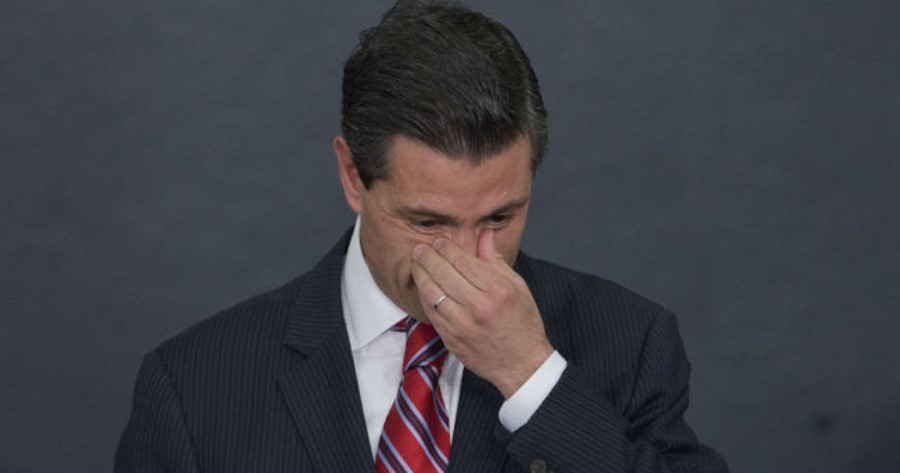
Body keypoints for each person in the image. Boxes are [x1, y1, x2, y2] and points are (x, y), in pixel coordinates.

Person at [116, 1, 729, 471]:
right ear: (352, 175)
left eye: (499, 218)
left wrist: (531, 376)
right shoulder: (194, 386)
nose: (466, 259)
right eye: (427, 223)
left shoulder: (630, 344)